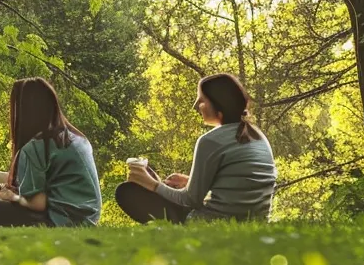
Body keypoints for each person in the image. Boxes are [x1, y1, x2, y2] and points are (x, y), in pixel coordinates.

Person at [117, 73, 277, 223]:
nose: (196, 106)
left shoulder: (210, 141)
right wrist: (191, 181)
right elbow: (241, 182)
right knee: (154, 184)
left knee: (127, 192)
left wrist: (151, 184)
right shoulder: (258, 136)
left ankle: (166, 218)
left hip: (211, 222)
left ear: (217, 104)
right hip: (256, 220)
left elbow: (190, 200)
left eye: (201, 100)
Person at [0, 77, 102, 228]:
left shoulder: (37, 146)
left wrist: (14, 197)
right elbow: (27, 181)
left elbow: (38, 204)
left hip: (59, 222)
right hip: (86, 220)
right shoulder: (75, 138)